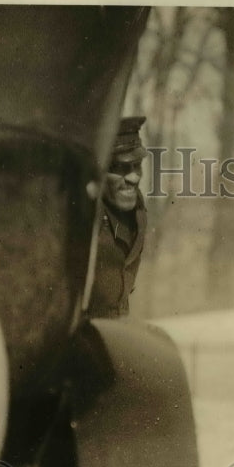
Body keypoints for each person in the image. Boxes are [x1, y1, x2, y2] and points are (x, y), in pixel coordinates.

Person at [86, 115, 148, 318]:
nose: (133, 177)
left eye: (136, 165)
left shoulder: (138, 212)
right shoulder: (83, 216)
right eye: (121, 168)